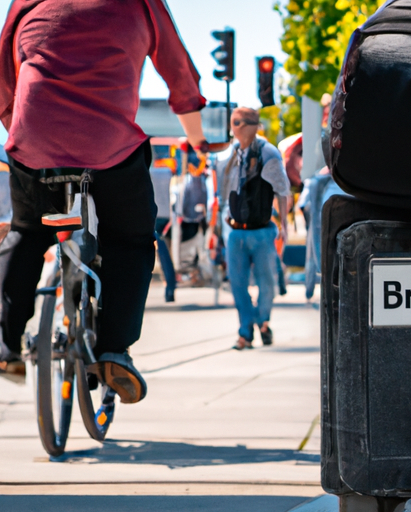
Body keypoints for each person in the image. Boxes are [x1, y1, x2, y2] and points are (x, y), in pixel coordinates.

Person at [0, 0, 209, 403]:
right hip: (107, 147)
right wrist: (197, 140)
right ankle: (114, 350)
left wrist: (24, 130)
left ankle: (5, 342)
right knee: (130, 241)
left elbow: (4, 81)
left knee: (27, 232)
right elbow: (181, 79)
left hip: (34, 142)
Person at [223, 108, 290, 350]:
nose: (234, 128)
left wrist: (284, 224)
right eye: (233, 122)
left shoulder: (268, 152)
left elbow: (282, 190)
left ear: (252, 125)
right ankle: (246, 330)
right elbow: (224, 192)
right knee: (237, 283)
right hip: (235, 231)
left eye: (238, 123)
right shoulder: (231, 153)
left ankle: (262, 321)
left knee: (267, 283)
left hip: (262, 231)